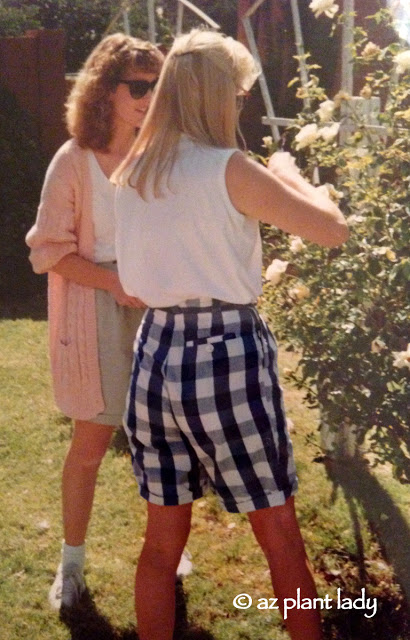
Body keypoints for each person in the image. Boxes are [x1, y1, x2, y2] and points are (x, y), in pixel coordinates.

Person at [113, 28, 349, 640]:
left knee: (162, 542)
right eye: (239, 95)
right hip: (225, 352)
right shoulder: (230, 168)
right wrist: (290, 173)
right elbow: (332, 229)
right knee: (281, 540)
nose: (240, 106)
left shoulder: (133, 171)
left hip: (155, 349)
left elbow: (136, 282)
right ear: (219, 95)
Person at [25, 33, 192, 611]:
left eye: (157, 85)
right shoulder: (73, 161)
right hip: (97, 309)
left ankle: (167, 551)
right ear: (105, 91)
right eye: (137, 86)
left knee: (165, 441)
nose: (149, 97)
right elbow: (46, 251)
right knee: (92, 443)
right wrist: (115, 282)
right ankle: (70, 563)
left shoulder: (165, 153)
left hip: (162, 308)